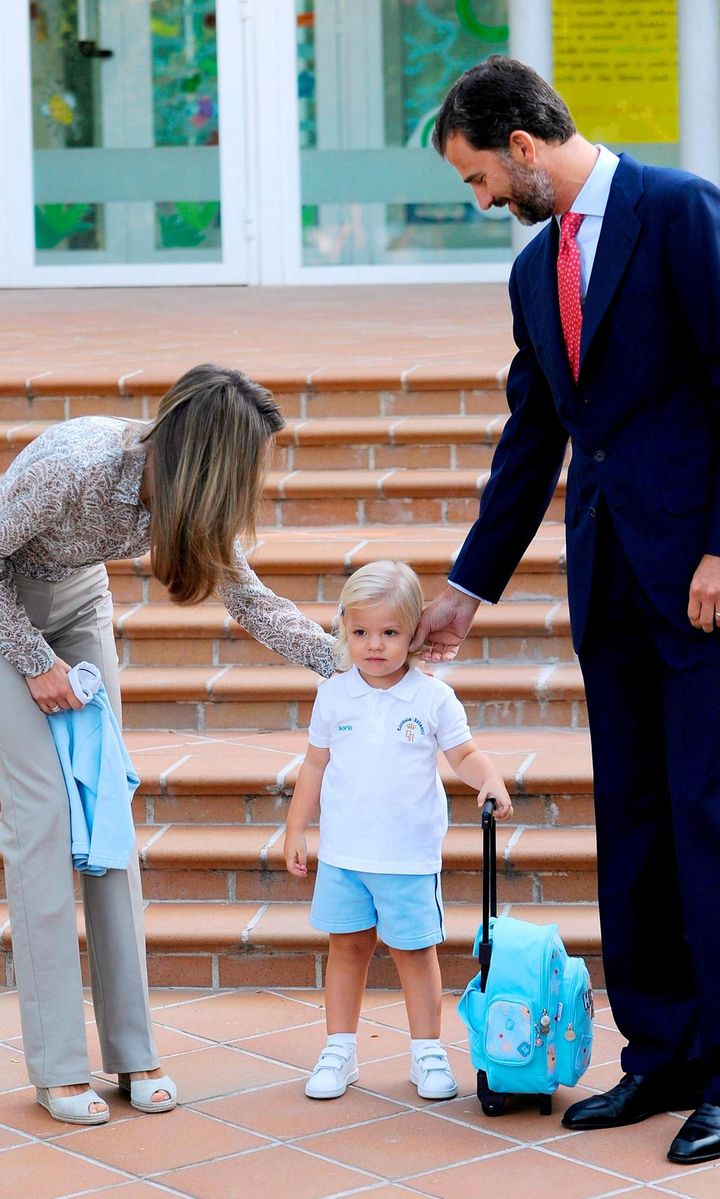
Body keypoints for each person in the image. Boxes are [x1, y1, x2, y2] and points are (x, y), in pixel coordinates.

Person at [410, 54, 720, 1164]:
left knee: (706, 811)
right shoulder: (536, 271)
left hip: (700, 584)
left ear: (524, 148)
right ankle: (662, 1055)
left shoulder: (681, 211)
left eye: (481, 178)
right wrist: (465, 586)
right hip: (609, 581)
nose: (483, 200)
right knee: (633, 815)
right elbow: (532, 436)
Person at [0, 363, 336, 1125]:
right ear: (209, 458)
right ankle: (56, 1065)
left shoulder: (184, 499)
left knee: (107, 816)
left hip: (79, 596)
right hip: (6, 605)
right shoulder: (73, 468)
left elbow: (250, 598)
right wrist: (35, 661)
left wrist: (349, 670)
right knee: (45, 818)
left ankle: (133, 1050)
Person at [283, 560, 512, 1101]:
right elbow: (314, 765)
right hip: (344, 857)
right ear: (344, 630)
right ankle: (339, 1049)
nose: (375, 645)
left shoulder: (431, 698)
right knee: (347, 949)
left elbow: (465, 753)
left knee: (415, 953)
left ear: (413, 632)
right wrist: (296, 827)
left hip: (407, 859)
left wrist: (491, 779)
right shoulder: (334, 694)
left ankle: (426, 1051)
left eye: (389, 632)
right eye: (361, 632)